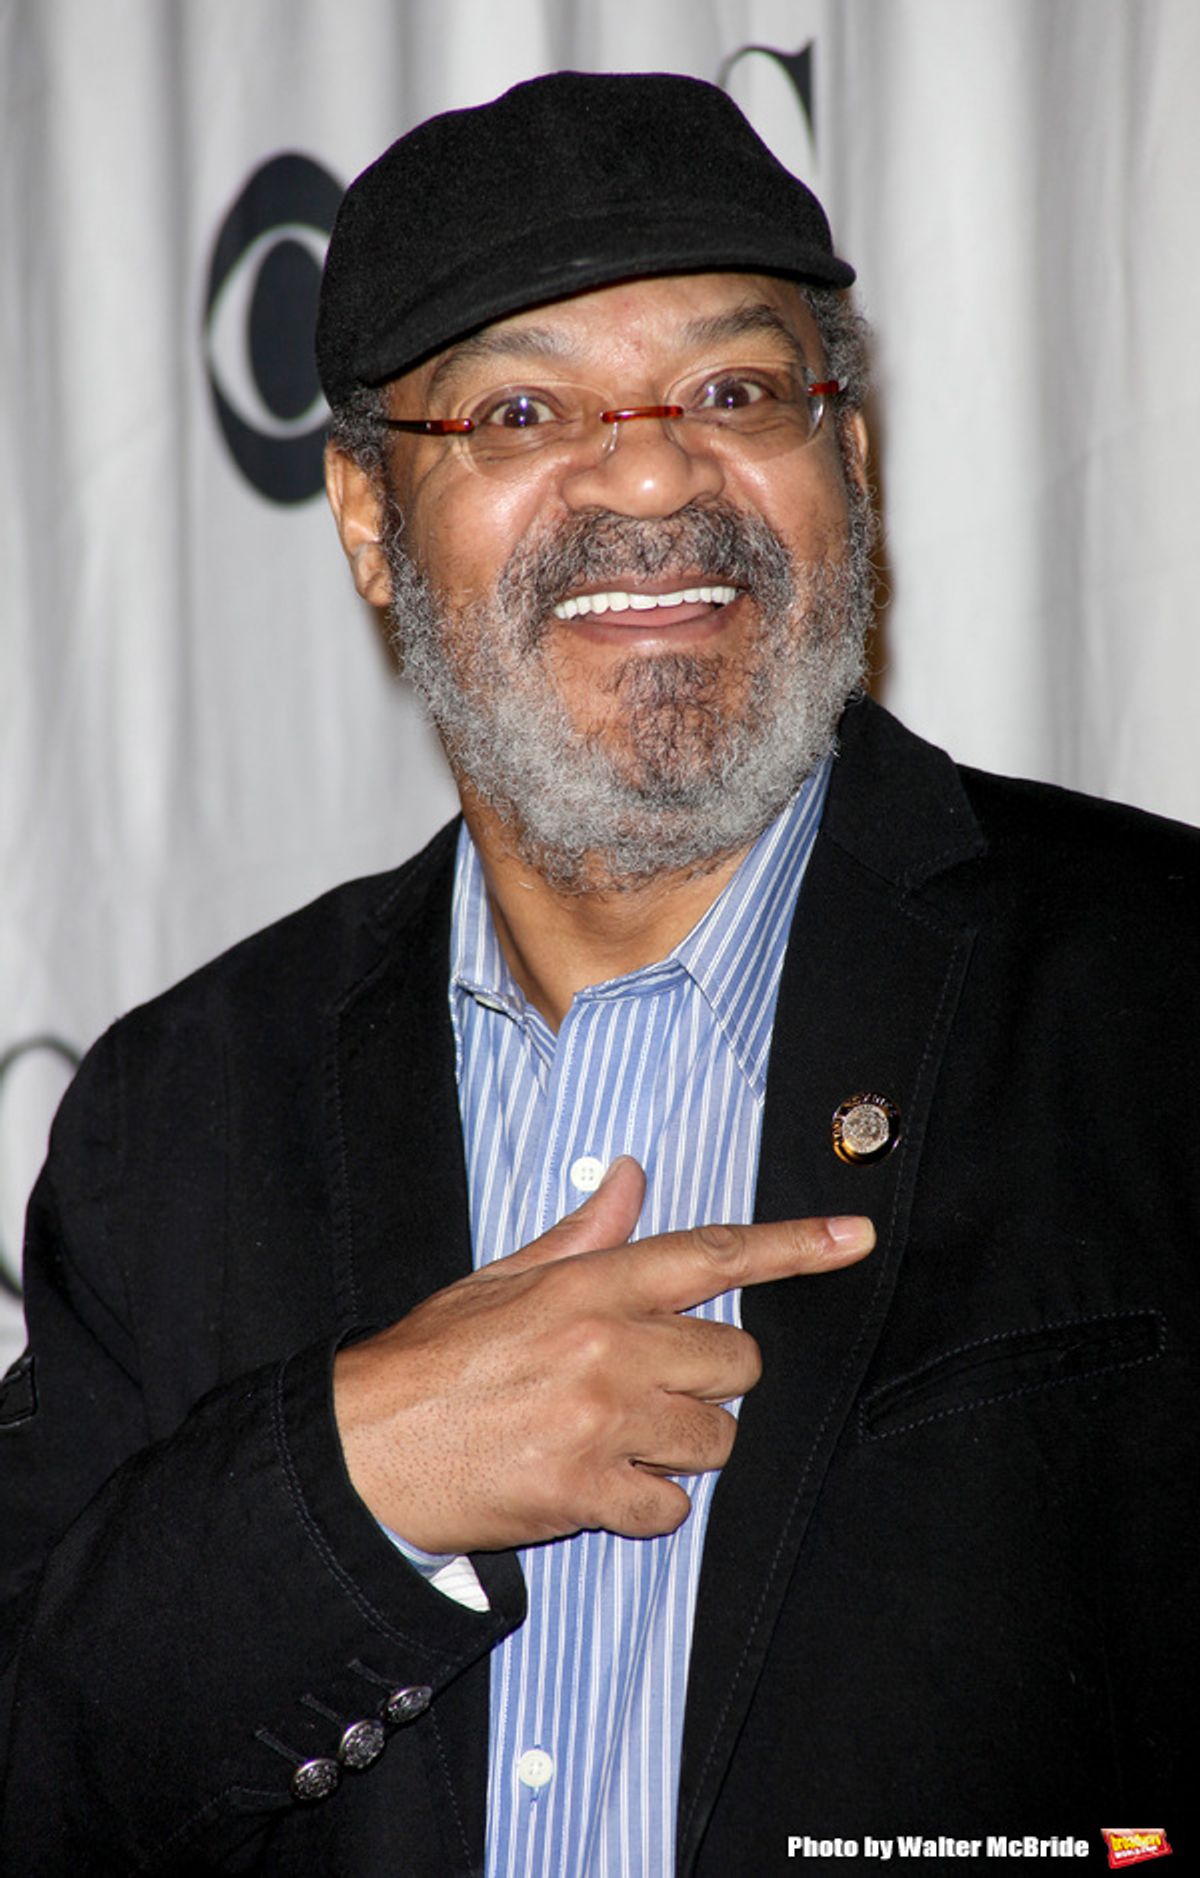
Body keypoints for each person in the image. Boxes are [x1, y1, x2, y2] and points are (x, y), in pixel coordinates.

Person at [1, 70, 1196, 1877]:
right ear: (364, 519)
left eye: (737, 389)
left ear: (847, 462)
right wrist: (355, 1485)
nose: (650, 470)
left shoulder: (1161, 996)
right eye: (519, 408)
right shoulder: (183, 1115)